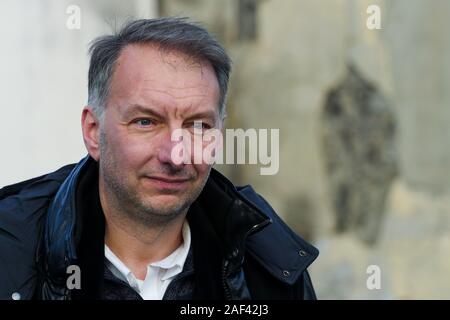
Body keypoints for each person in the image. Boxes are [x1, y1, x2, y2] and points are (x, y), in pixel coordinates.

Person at [0, 17, 318, 300]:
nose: (175, 154)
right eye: (146, 122)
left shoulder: (269, 265)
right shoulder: (10, 251)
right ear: (93, 130)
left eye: (197, 126)